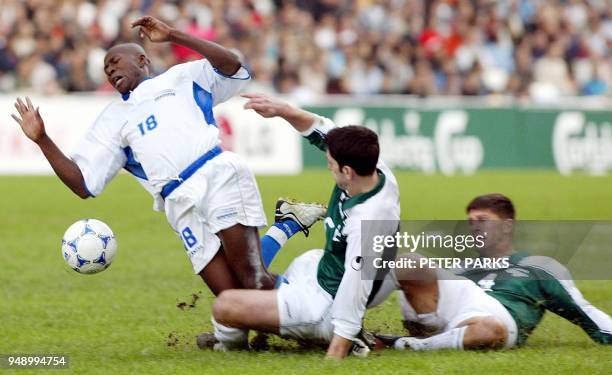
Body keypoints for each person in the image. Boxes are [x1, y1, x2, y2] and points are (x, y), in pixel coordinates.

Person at [10, 16, 325, 343]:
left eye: (115, 61)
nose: (110, 70)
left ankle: (332, 322)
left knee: (255, 284)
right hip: (178, 204)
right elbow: (82, 185)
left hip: (216, 175)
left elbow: (233, 66)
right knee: (234, 304)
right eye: (105, 69)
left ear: (143, 60)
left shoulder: (182, 77)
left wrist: (173, 35)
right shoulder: (111, 120)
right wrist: (42, 139)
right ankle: (286, 231)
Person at [211, 94, 401, 358]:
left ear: (346, 172)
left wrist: (337, 347)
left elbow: (356, 284)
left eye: (330, 164)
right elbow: (322, 128)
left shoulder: (369, 219)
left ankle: (231, 347)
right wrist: (283, 110)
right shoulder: (370, 167)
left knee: (225, 304)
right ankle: (265, 320)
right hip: (319, 269)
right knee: (252, 276)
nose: (328, 166)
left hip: (324, 305)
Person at [377, 193, 612, 350]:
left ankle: (409, 345)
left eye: (483, 220)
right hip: (450, 314)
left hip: (494, 320)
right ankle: (348, 325)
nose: (475, 227)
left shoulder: (537, 266)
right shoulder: (461, 267)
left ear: (507, 226)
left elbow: (584, 310)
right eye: (471, 222)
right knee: (408, 262)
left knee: (489, 329)